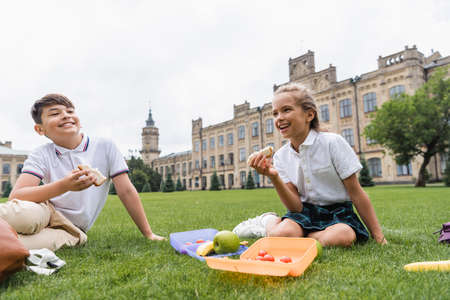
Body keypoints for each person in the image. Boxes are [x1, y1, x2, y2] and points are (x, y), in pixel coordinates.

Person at [0, 94, 164, 251]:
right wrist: (64, 185)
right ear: (40, 129)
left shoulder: (105, 146)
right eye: (55, 113)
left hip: (71, 229)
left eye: (70, 111)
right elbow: (17, 196)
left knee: (16, 245)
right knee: (22, 217)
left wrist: (148, 233)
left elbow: (126, 191)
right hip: (44, 211)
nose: (65, 115)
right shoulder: (41, 153)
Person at [233, 83, 387, 247]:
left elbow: (356, 192)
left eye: (286, 110)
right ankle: (267, 221)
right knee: (283, 233)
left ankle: (294, 236)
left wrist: (379, 237)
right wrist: (274, 177)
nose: (279, 118)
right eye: (275, 113)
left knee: (343, 236)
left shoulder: (332, 143)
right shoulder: (281, 156)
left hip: (338, 213)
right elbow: (295, 207)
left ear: (309, 115)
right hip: (304, 212)